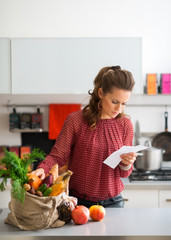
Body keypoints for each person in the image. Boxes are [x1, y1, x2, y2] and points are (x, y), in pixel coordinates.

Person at [32, 65, 137, 208]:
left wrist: (127, 163)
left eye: (124, 103)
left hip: (114, 202)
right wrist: (42, 169)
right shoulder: (75, 120)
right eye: (114, 102)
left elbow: (124, 174)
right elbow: (58, 155)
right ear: (101, 93)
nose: (119, 109)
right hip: (77, 203)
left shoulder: (125, 125)